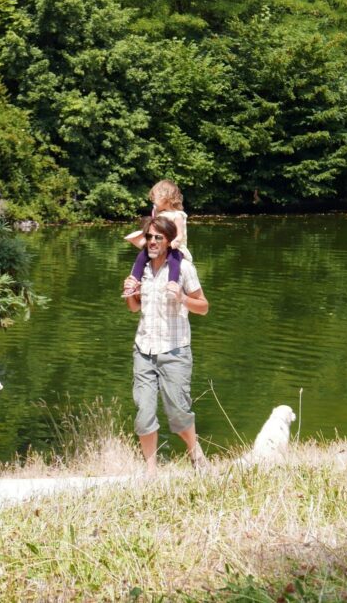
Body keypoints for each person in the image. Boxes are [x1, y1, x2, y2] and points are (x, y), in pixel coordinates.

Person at [123, 216, 209, 477]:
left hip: (174, 350)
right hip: (144, 349)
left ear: (169, 241)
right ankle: (151, 470)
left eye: (157, 237)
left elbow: (203, 307)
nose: (151, 242)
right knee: (144, 412)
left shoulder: (183, 269)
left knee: (178, 412)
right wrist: (130, 292)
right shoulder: (142, 269)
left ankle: (195, 453)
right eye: (148, 237)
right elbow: (135, 307)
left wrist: (182, 297)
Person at [123, 179, 191, 299]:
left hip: (175, 246)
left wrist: (175, 241)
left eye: (155, 197)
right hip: (159, 245)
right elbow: (153, 227)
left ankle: (172, 284)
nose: (153, 200)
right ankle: (133, 283)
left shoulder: (177, 215)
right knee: (141, 257)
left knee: (173, 260)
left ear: (167, 197)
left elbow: (180, 235)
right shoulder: (158, 213)